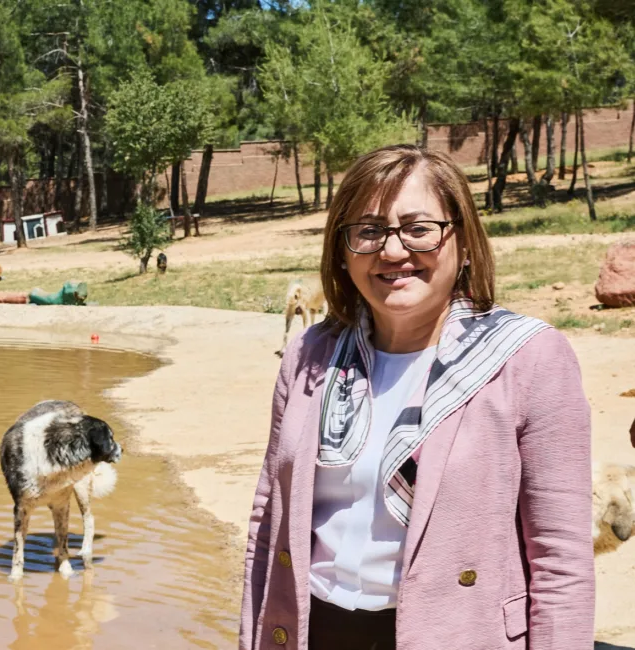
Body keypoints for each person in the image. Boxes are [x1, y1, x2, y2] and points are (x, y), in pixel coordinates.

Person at [239, 144, 595, 650]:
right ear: (342, 252)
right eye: (368, 231)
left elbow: (561, 559)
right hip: (312, 631)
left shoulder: (527, 359)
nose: (392, 251)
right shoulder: (310, 354)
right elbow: (267, 517)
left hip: (455, 633)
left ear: (464, 241)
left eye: (418, 228)